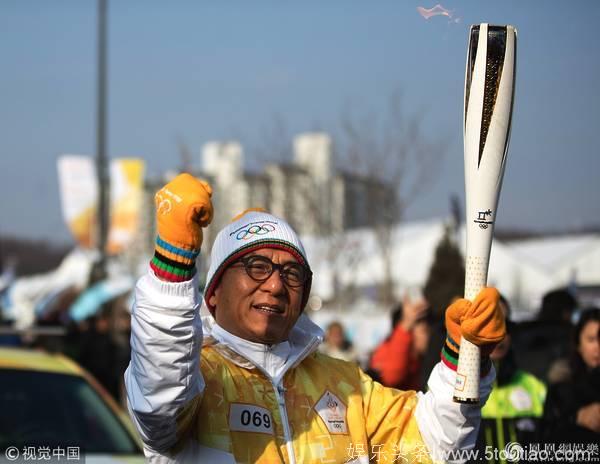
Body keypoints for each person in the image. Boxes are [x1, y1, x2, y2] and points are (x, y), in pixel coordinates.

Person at [125, 173, 506, 463]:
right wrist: (173, 266)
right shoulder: (199, 379)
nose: (275, 285)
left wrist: (465, 359)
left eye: (292, 274)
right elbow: (160, 399)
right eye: (257, 266)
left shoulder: (345, 386)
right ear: (214, 292)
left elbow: (434, 447)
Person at [470, 296, 546, 463]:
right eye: (487, 325)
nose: (497, 334)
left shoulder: (534, 386)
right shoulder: (451, 388)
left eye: (504, 325)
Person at [541, 307, 600, 444]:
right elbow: (546, 434)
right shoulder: (561, 385)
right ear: (578, 344)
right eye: (591, 340)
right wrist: (576, 418)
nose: (597, 347)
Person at [367, 297, 431, 390]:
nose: (429, 336)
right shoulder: (386, 350)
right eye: (425, 331)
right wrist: (405, 326)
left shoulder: (419, 359)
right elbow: (392, 377)